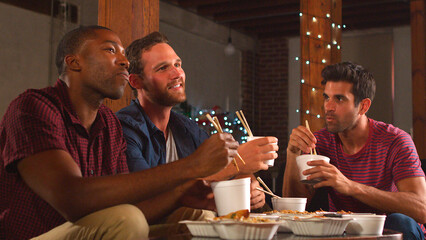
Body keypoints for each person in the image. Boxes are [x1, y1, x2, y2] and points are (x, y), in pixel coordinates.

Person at [0, 25, 240, 240]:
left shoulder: (108, 123)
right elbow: (71, 198)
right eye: (110, 50)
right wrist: (192, 166)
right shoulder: (33, 107)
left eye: (124, 54)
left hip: (94, 229)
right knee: (127, 219)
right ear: (74, 62)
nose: (124, 61)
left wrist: (181, 194)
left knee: (196, 218)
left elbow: (131, 205)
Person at [116, 31, 278, 222]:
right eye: (162, 68)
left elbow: (225, 171)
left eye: (178, 64)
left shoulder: (186, 128)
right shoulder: (124, 128)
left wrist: (250, 186)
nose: (177, 74)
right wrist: (237, 165)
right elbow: (147, 195)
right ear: (135, 81)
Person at [283, 62, 426, 240]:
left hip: (390, 231)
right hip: (344, 232)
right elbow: (292, 210)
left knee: (400, 222)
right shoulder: (319, 141)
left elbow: (422, 208)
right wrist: (292, 154)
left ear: (364, 106)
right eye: (326, 97)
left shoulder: (395, 140)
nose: (328, 106)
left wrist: (350, 186)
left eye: (339, 99)